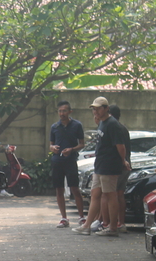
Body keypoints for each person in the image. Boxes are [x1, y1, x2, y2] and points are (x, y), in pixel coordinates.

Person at [72, 97, 130, 237]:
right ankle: (87, 226)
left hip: (109, 165)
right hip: (100, 165)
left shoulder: (112, 124)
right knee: (95, 194)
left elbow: (120, 147)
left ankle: (112, 228)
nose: (95, 111)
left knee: (111, 196)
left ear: (106, 108)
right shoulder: (102, 123)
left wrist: (123, 161)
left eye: (98, 108)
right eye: (93, 108)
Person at [49, 100, 85, 228]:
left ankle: (81, 217)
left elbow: (82, 144)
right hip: (57, 161)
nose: (62, 113)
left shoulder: (77, 125)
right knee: (59, 189)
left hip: (70, 160)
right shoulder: (55, 127)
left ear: (70, 112)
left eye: (64, 111)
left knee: (74, 188)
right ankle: (64, 217)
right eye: (60, 111)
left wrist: (71, 149)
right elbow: (51, 144)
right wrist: (52, 148)